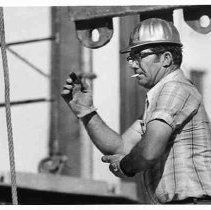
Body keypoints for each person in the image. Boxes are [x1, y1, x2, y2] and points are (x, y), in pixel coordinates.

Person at [61, 18, 211, 204]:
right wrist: (86, 111)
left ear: (166, 58)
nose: (132, 64)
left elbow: (148, 152)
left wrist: (123, 166)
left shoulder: (173, 88)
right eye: (131, 57)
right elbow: (121, 146)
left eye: (140, 56)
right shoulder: (161, 98)